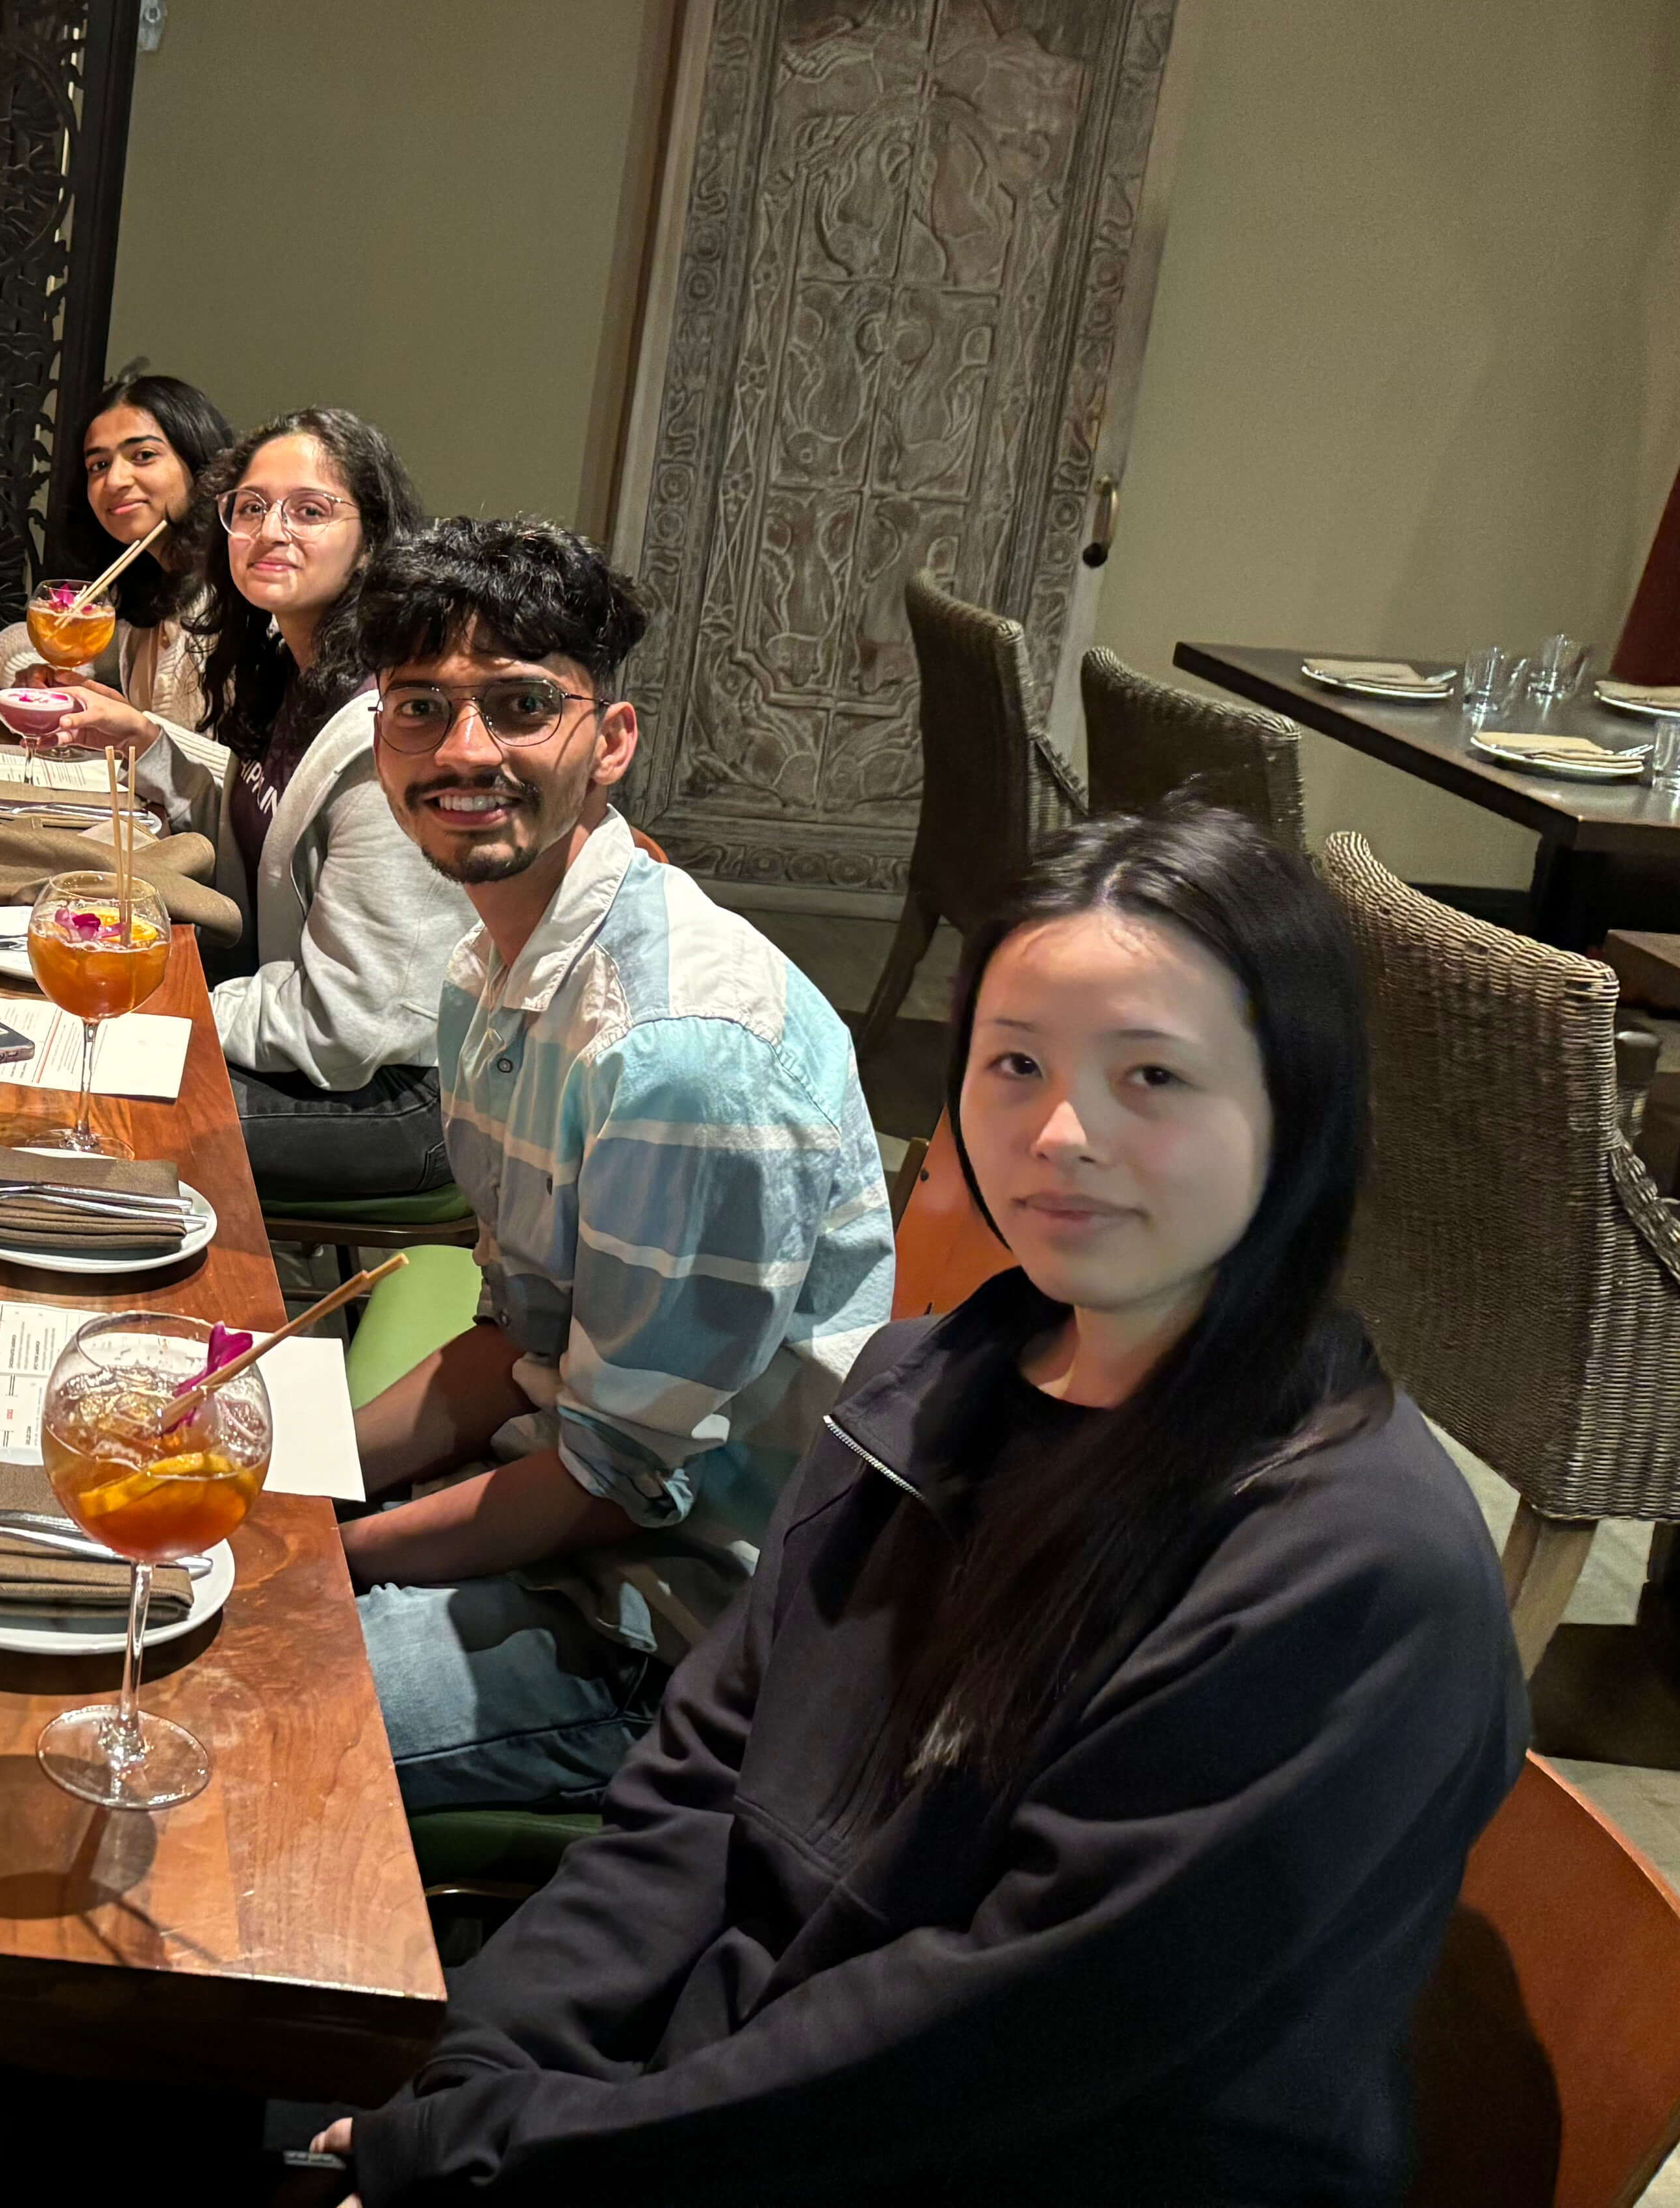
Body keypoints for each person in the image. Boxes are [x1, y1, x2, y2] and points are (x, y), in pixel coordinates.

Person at [321, 803, 1527, 2199]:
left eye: (1152, 1075)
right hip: (723, 2102)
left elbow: (986, 2054)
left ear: (1298, 1108)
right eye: (1016, 1063)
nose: (1061, 1132)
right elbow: (696, 1791)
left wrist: (489, 2149)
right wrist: (481, 2074)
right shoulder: (930, 1381)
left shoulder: (1349, 1573)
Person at [343, 518, 890, 1813]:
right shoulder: (493, 970)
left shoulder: (675, 1057)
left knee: (217, 1698)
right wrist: (285, 1484)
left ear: (612, 740)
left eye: (520, 704)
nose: (463, 750)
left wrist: (328, 1556)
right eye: (420, 707)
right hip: (565, 1489)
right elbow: (520, 1331)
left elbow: (619, 1483)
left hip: (677, 1628)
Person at [138, 407, 467, 1204]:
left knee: (98, 1097)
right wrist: (145, 743)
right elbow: (265, 836)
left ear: (373, 540)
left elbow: (350, 1022)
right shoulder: (293, 671)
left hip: (405, 1095)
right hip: (311, 1034)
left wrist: (159, 1003)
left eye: (310, 510)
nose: (270, 530)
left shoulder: (394, 730)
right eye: (250, 507)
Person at [0, 369, 231, 737]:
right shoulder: (145, 590)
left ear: (199, 463)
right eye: (99, 465)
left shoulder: (233, 599)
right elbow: (26, 638)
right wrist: (37, 674)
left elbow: (255, 772)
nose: (115, 481)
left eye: (144, 455)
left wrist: (145, 734)